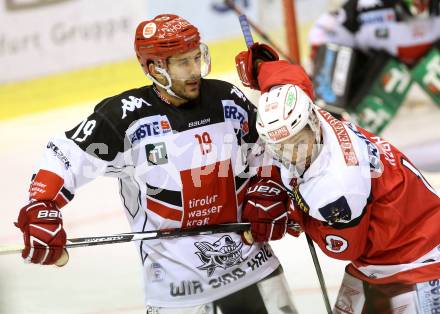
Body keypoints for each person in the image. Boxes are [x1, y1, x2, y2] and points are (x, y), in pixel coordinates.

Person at [13, 14, 298, 314]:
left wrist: (270, 186)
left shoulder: (227, 99)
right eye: (182, 62)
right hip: (178, 289)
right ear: (155, 69)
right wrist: (41, 204)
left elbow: (267, 150)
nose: (194, 71)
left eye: (196, 57)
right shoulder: (126, 118)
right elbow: (65, 154)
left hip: (250, 265)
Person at [235, 43, 440, 312]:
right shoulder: (306, 112)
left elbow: (344, 249)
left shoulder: (336, 188)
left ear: (311, 123)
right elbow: (288, 78)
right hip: (395, 240)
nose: (291, 154)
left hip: (415, 259)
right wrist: (261, 67)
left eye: (298, 142)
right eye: (280, 146)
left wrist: (295, 217)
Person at [308, 0, 440, 134]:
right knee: (333, 55)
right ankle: (336, 132)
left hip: (429, 58)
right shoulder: (365, 6)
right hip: (376, 67)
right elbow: (324, 34)